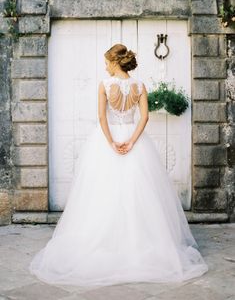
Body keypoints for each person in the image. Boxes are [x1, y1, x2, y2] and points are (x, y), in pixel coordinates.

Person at [29, 44, 208, 289]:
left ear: (114, 62)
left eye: (106, 62)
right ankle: (139, 244)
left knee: (102, 192)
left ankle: (107, 243)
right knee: (140, 193)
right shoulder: (140, 85)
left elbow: (102, 117)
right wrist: (132, 141)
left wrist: (112, 142)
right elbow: (143, 117)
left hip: (108, 141)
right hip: (135, 141)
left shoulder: (105, 84)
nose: (104, 66)